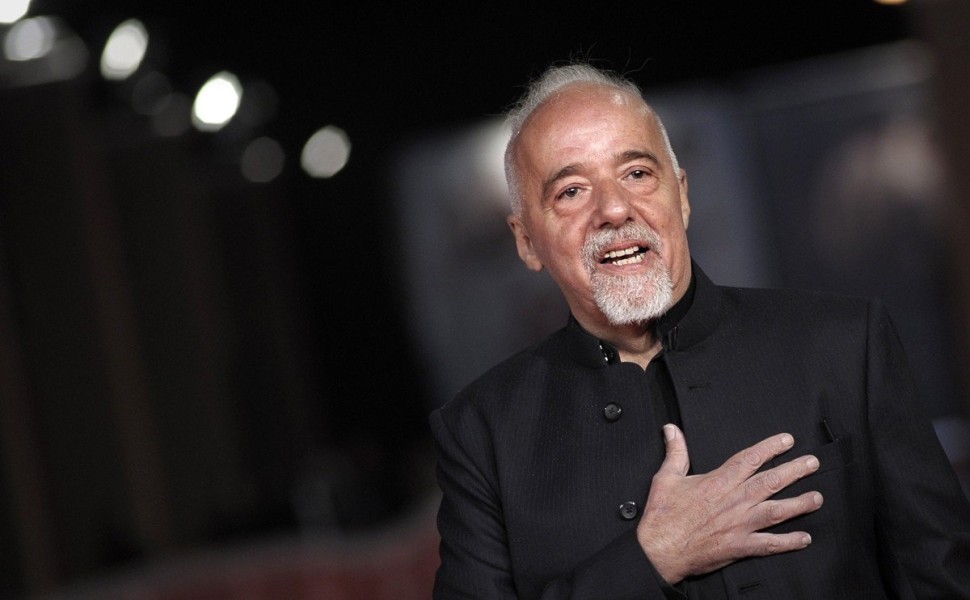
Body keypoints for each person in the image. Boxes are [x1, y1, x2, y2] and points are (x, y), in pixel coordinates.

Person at [428, 62, 970, 599]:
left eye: (637, 174)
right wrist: (651, 559)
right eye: (570, 191)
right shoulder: (482, 432)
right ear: (526, 241)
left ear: (681, 195)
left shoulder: (846, 344)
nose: (614, 209)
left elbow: (940, 579)